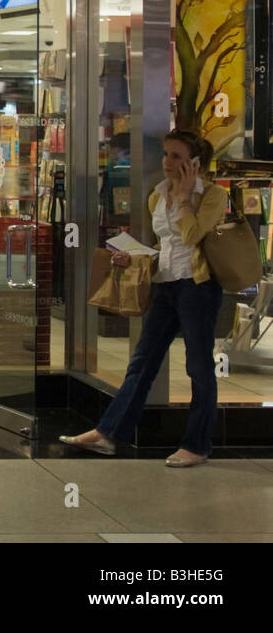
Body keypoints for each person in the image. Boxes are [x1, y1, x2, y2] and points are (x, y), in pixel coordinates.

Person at [60, 130, 225, 468]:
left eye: (177, 156)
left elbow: (193, 237)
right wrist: (134, 257)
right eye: (166, 154)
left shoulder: (211, 196)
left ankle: (198, 444)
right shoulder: (156, 195)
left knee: (199, 366)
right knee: (142, 361)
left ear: (195, 163)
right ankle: (108, 433)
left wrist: (183, 198)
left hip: (198, 287)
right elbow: (165, 246)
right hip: (165, 285)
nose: (168, 162)